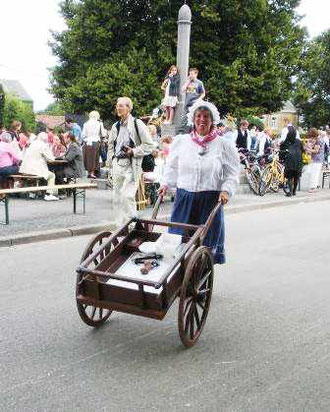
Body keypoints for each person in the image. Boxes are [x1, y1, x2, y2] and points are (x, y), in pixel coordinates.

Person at [159, 100, 240, 264]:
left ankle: (200, 278)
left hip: (209, 202)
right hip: (184, 200)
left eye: (206, 116)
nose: (201, 120)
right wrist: (165, 183)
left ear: (212, 120)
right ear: (193, 119)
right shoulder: (181, 141)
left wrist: (226, 190)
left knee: (205, 245)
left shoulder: (223, 144)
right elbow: (172, 167)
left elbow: (232, 173)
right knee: (178, 243)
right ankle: (178, 280)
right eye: (198, 116)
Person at [107, 96, 154, 223]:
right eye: (117, 105)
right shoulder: (115, 126)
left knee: (127, 196)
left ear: (129, 108)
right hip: (118, 164)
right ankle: (120, 227)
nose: (118, 108)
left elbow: (149, 145)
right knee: (116, 198)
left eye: (121, 105)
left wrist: (133, 151)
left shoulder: (137, 124)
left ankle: (132, 225)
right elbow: (110, 145)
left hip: (132, 165)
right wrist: (112, 159)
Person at [19, 132, 59, 201]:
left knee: (39, 174)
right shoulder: (43, 145)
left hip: (25, 169)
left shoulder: (32, 144)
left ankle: (33, 193)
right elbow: (51, 159)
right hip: (35, 170)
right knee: (52, 175)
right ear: (45, 139)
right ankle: (48, 194)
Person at [81, 110, 106, 178]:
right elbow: (103, 134)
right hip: (96, 141)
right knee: (95, 158)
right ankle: (94, 172)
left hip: (87, 142)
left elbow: (83, 135)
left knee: (88, 158)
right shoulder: (99, 123)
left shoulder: (86, 124)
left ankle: (90, 172)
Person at [280, 126, 303, 196]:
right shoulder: (299, 141)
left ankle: (290, 192)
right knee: (296, 176)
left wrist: (281, 157)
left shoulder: (287, 141)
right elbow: (302, 150)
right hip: (298, 160)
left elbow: (282, 151)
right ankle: (294, 191)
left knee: (290, 177)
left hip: (290, 161)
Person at [304, 128, 325, 193]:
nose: (311, 138)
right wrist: (308, 146)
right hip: (315, 159)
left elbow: (316, 151)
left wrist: (308, 149)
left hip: (317, 159)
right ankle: (316, 184)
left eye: (311, 136)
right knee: (310, 171)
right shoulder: (317, 140)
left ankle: (313, 187)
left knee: (314, 173)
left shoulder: (318, 140)